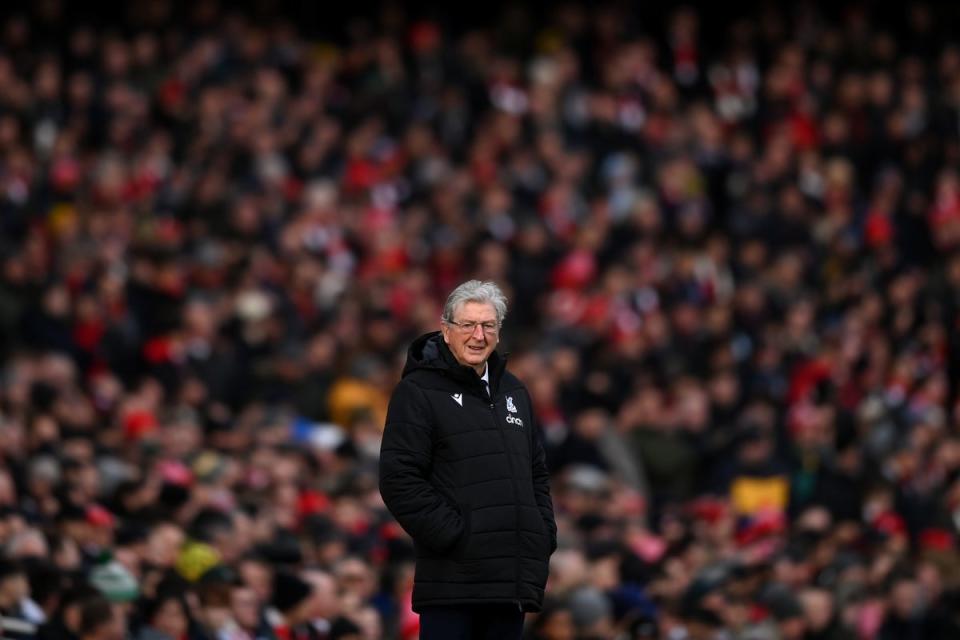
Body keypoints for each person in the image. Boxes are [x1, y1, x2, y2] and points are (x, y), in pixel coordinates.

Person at [379, 280, 557, 639]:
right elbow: (399, 478)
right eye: (468, 325)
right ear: (446, 331)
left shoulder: (515, 391)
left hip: (511, 582)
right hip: (452, 582)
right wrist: (456, 536)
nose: (479, 335)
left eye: (488, 325)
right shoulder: (417, 392)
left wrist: (542, 532)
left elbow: (535, 472)